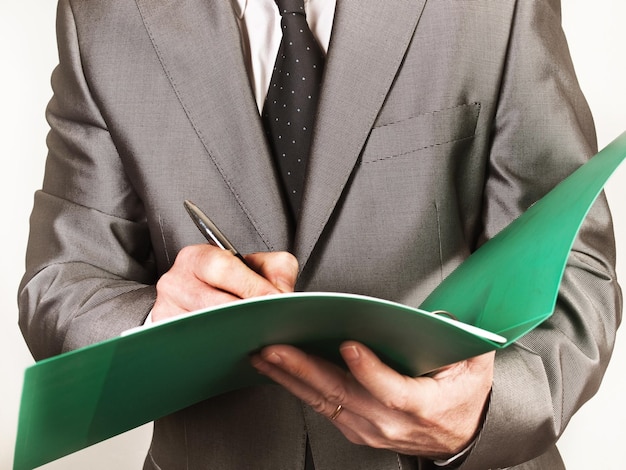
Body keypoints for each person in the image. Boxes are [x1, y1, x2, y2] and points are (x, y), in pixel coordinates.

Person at [18, 0, 621, 469]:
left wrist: (484, 411)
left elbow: (575, 271)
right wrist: (154, 322)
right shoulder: (103, 16)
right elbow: (59, 282)